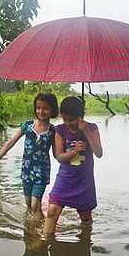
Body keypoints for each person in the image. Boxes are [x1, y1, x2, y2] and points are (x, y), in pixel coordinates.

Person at [0, 93, 58, 221]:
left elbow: (56, 154)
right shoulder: (27, 126)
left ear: (52, 110)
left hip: (41, 173)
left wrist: (73, 153)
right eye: (38, 107)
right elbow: (10, 143)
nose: (41, 111)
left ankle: (39, 231)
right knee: (28, 204)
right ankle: (32, 224)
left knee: (35, 204)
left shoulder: (53, 131)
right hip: (26, 171)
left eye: (45, 108)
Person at [43, 96, 103, 235]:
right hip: (65, 178)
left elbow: (99, 153)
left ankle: (85, 241)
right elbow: (59, 156)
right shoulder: (60, 130)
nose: (68, 123)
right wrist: (74, 151)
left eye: (72, 119)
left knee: (86, 217)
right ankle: (45, 240)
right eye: (65, 119)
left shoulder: (92, 128)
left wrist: (86, 131)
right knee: (52, 211)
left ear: (80, 116)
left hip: (84, 181)